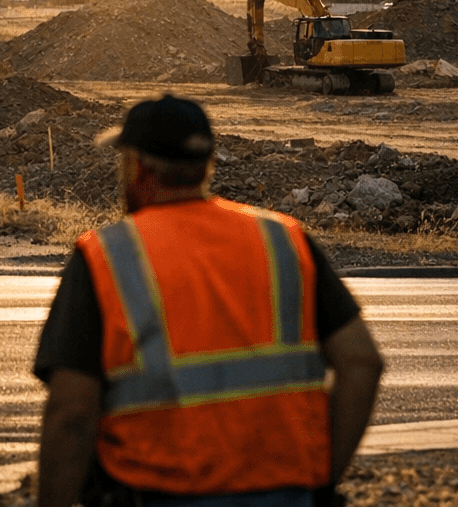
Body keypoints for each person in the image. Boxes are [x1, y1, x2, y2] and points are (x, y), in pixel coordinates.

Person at [34, 95, 384, 507]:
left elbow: (71, 415)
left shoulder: (107, 255)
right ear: (207, 164)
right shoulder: (283, 240)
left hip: (158, 494)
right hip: (284, 495)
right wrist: (320, 480)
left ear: (137, 166)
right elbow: (362, 362)